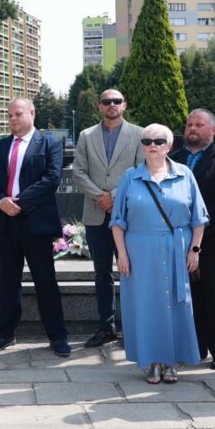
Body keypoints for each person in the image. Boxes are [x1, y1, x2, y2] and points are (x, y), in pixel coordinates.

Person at [111, 123, 208, 384]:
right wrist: (121, 254)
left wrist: (194, 250)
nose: (152, 145)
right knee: (146, 306)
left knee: (176, 304)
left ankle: (171, 360)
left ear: (169, 145)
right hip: (140, 253)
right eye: (146, 141)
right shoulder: (130, 177)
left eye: (158, 141)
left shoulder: (185, 174)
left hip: (177, 249)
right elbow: (118, 221)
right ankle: (152, 360)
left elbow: (199, 218)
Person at [0, 98, 71, 357]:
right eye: (9, 115)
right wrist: (0, 202)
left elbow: (52, 178)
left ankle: (57, 336)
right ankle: (5, 334)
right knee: (8, 282)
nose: (12, 119)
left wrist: (19, 203)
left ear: (32, 113)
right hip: (4, 223)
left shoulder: (50, 143)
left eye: (17, 114)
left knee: (46, 282)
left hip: (36, 224)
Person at [73, 88, 144, 348]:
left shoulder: (139, 134)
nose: (112, 105)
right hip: (96, 215)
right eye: (107, 102)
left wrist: (114, 195)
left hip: (128, 214)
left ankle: (134, 328)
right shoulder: (86, 135)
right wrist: (99, 197)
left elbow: (140, 170)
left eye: (116, 101)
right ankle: (107, 328)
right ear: (100, 106)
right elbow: (78, 171)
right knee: (102, 273)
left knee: (130, 272)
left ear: (124, 105)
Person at [170, 110, 215, 369]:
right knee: (190, 296)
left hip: (213, 238)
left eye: (199, 125)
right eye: (189, 124)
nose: (192, 129)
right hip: (181, 239)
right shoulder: (174, 159)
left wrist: (199, 221)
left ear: (213, 130)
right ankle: (195, 346)